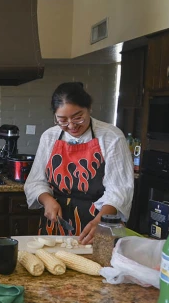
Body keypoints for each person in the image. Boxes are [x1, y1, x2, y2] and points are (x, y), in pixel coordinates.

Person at [24, 82, 133, 245]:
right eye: (62, 120)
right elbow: (36, 181)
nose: (71, 125)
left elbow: (119, 189)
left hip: (99, 222)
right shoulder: (50, 137)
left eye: (78, 117)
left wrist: (100, 223)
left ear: (89, 108)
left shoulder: (111, 137)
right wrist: (47, 200)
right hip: (56, 224)